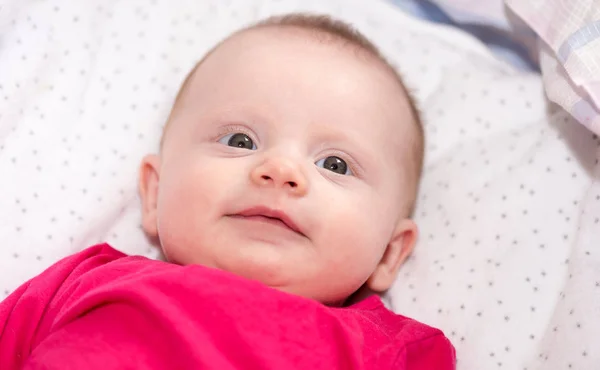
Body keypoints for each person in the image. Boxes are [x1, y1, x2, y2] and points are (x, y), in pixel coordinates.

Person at [0, 13, 455, 369]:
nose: (280, 170)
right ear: (155, 195)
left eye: (335, 164)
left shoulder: (396, 351)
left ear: (389, 253)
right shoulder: (81, 282)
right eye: (240, 141)